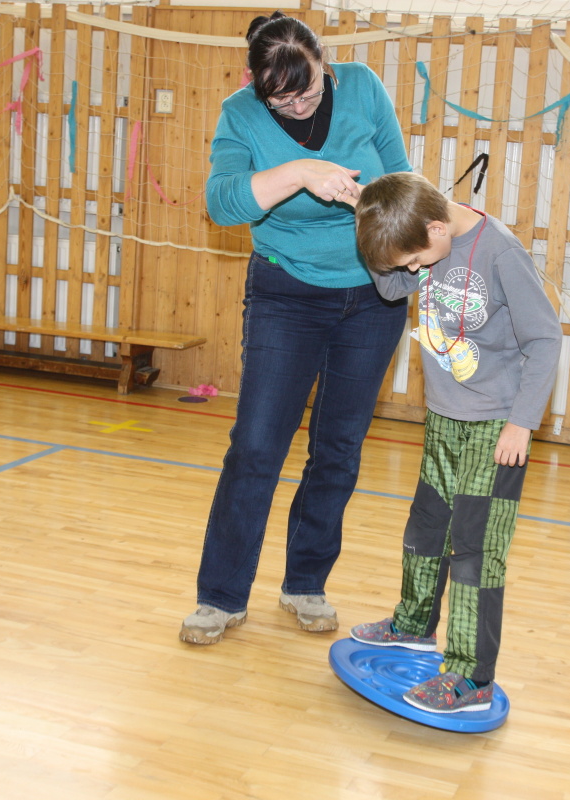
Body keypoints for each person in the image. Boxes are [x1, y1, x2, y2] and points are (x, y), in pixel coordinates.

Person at [180, 13, 412, 645]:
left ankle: (305, 583)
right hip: (286, 294)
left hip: (373, 298)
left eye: (308, 90)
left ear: (323, 63)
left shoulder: (362, 87)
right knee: (256, 446)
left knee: (338, 447)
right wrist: (301, 173)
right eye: (283, 99)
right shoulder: (240, 115)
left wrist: (401, 217)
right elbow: (222, 203)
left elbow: (400, 176)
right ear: (256, 84)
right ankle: (220, 597)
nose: (300, 105)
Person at [347, 171, 562, 713]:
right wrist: (368, 224)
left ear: (438, 229)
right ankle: (413, 624)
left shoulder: (501, 253)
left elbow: (544, 338)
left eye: (414, 259)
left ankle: (471, 676)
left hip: (496, 426)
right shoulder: (423, 238)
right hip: (444, 416)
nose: (411, 271)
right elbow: (392, 287)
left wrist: (523, 423)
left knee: (474, 549)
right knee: (426, 526)